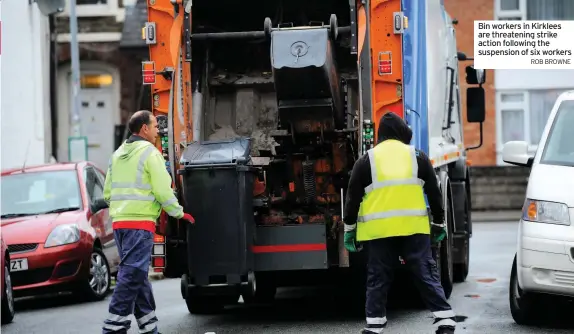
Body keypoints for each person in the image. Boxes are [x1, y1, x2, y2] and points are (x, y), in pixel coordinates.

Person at [343, 112, 456, 334]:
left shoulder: (367, 160)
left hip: (379, 232)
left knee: (378, 276)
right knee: (425, 272)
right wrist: (440, 223)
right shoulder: (418, 156)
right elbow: (434, 193)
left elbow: (352, 197)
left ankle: (374, 325)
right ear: (402, 132)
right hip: (413, 229)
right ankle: (445, 320)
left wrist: (349, 229)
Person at [101, 110, 195, 334]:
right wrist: (179, 213)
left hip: (119, 224)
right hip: (139, 224)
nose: (157, 130)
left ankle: (149, 328)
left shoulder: (117, 154)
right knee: (132, 273)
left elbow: (107, 193)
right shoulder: (149, 154)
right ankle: (113, 328)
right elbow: (163, 190)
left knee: (138, 275)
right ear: (144, 128)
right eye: (154, 126)